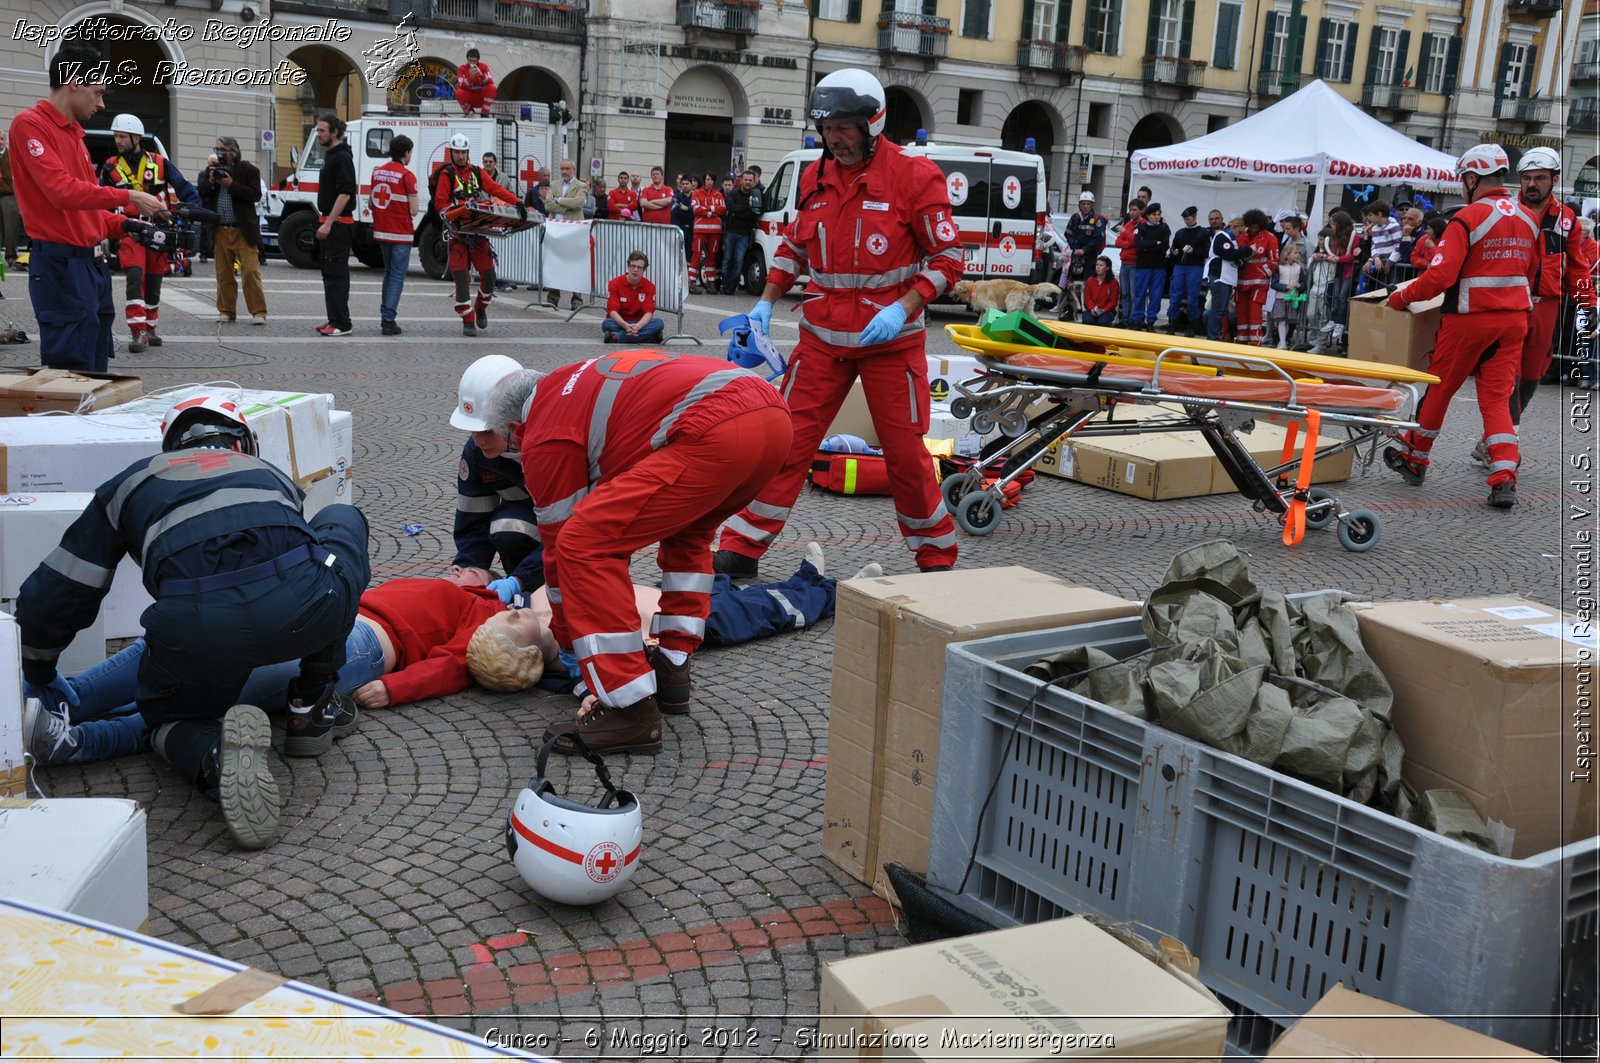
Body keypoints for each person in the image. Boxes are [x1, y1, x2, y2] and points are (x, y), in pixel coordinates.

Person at [15, 395, 371, 849]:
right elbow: (302, 557)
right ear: (244, 441)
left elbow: (61, 591)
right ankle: (312, 702)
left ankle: (213, 756)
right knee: (341, 518)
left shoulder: (129, 485)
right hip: (305, 613)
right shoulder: (270, 475)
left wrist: (40, 670)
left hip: (197, 629)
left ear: (171, 444)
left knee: (167, 719)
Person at [713, 69, 963, 580]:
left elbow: (948, 259)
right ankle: (744, 544)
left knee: (905, 456)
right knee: (784, 442)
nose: (834, 139)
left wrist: (903, 307)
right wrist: (766, 301)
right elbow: (794, 248)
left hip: (890, 344)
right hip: (823, 340)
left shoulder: (916, 178)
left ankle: (936, 554)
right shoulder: (814, 177)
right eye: (827, 129)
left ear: (873, 122)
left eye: (844, 128)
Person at [487, 352, 793, 755]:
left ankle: (630, 708)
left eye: (485, 436)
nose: (480, 446)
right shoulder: (572, 377)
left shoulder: (544, 429)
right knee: (689, 535)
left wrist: (566, 638)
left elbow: (561, 550)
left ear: (514, 428)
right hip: (771, 412)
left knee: (583, 542)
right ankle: (673, 667)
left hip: (715, 424)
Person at [24, 575, 541, 767]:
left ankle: (83, 740)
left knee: (220, 684)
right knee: (191, 650)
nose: (519, 612)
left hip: (354, 646)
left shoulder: (477, 626)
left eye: (522, 620)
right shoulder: (476, 598)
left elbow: (449, 669)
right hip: (331, 616)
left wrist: (393, 688)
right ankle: (70, 701)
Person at [1384, 144, 1539, 510]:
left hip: (1468, 320)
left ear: (1472, 178)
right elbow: (1533, 274)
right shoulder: (1530, 218)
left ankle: (1415, 458)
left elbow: (1440, 276)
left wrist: (1401, 297)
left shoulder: (1466, 219)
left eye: (1462, 180)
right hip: (1514, 320)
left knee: (1439, 389)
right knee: (1498, 399)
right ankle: (1503, 476)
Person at [8, 41, 166, 373]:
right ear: (75, 83)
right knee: (71, 368)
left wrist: (129, 224)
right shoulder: (30, 125)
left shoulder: (75, 135)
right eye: (97, 92)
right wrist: (130, 197)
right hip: (61, 264)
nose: (102, 103)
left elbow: (86, 205)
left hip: (89, 266)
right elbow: (62, 193)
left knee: (94, 365)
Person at [1494, 148, 1597, 436]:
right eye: (1527, 178)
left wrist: (1588, 304)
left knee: (1531, 375)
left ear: (1554, 180)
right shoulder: (1506, 211)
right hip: (1509, 302)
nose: (1532, 184)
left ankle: (1502, 432)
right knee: (1507, 374)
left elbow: (1577, 267)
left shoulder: (1567, 220)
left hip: (1546, 305)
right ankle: (1503, 440)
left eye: (1540, 178)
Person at [98, 113, 200, 353]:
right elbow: (100, 198)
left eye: (122, 136)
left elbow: (186, 189)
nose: (118, 141)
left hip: (159, 231)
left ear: (136, 137)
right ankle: (138, 330)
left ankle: (151, 325)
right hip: (129, 229)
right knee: (135, 278)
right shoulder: (110, 167)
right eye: (116, 136)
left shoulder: (160, 163)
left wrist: (192, 215)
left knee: (154, 280)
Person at [450, 355, 544, 603]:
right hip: (535, 528)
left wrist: (520, 579)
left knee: (513, 526)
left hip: (579, 537)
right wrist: (471, 569)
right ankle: (522, 596)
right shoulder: (477, 454)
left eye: (487, 431)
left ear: (516, 421)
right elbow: (473, 519)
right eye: (473, 430)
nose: (478, 440)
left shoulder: (552, 451)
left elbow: (570, 531)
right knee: (509, 526)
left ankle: (534, 591)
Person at [432, 132, 521, 336]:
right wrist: (457, 213)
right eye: (457, 152)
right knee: (461, 277)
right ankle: (467, 318)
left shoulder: (477, 172)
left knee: (489, 274)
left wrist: (517, 202)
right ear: (452, 153)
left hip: (477, 230)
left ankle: (481, 307)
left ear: (467, 152)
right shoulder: (447, 174)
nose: (461, 156)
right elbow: (440, 203)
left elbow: (496, 189)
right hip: (457, 232)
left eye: (463, 152)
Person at [200, 135, 267, 325]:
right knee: (223, 273)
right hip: (221, 228)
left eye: (222, 150)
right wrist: (212, 181)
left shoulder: (248, 170)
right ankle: (227, 311)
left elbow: (255, 195)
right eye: (217, 149)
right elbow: (202, 192)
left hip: (242, 228)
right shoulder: (212, 170)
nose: (219, 153)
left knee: (250, 272)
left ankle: (258, 312)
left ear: (233, 152)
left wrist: (232, 185)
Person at [312, 113, 357, 337]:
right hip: (331, 221)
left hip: (339, 224)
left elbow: (346, 193)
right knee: (329, 274)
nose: (318, 134)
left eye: (322, 131)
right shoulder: (331, 155)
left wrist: (329, 223)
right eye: (318, 130)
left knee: (337, 275)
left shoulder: (341, 158)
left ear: (335, 132)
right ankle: (333, 319)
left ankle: (342, 323)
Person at [371, 135, 417, 336]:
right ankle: (388, 319)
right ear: (406, 153)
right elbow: (414, 210)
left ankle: (385, 315)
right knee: (397, 276)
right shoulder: (407, 176)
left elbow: (373, 203)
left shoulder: (377, 173)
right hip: (401, 234)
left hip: (382, 231)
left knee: (389, 273)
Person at [1311, 209, 1360, 353]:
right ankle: (1334, 320)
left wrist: (1338, 259)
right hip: (1338, 270)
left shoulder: (1353, 236)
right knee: (1336, 296)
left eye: (1334, 224)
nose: (1332, 226)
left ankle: (1340, 322)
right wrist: (1329, 257)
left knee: (1343, 296)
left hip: (1348, 271)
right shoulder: (1334, 237)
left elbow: (1352, 255)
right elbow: (1333, 252)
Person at [543, 159, 587, 311]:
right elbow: (547, 204)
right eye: (562, 168)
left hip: (573, 231)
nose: (565, 172)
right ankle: (552, 297)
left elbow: (578, 203)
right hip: (555, 230)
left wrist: (559, 200)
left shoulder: (582, 185)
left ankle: (577, 299)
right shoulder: (553, 184)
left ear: (573, 170)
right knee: (555, 263)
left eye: (567, 168)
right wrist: (564, 207)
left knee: (576, 264)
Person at [1056, 191, 1107, 313]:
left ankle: (1087, 307)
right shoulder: (1075, 217)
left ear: (1092, 205)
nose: (1085, 206)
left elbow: (1098, 238)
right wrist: (1074, 246)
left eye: (1088, 204)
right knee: (1070, 282)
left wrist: (1084, 250)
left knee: (1089, 282)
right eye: (1083, 203)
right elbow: (1067, 234)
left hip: (1090, 256)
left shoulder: (1097, 219)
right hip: (1076, 255)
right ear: (1079, 204)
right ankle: (1069, 308)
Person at [1204, 217, 1253, 342]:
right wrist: (1249, 250)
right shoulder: (1222, 236)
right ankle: (1213, 337)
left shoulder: (1232, 241)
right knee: (1218, 309)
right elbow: (1229, 254)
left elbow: (1235, 257)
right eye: (1239, 232)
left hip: (1227, 279)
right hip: (1219, 276)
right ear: (1233, 227)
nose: (1240, 235)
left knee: (1221, 309)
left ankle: (1216, 336)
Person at [1235, 208, 1278, 346]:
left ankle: (1255, 341)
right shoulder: (1242, 237)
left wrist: (1263, 274)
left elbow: (1274, 261)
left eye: (1256, 227)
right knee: (1241, 311)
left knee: (1255, 312)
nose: (1253, 229)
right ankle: (1241, 340)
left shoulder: (1270, 238)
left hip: (1259, 282)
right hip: (1241, 281)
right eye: (1251, 226)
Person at [603, 249, 666, 343]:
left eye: (639, 267)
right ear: (628, 266)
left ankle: (616, 337)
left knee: (659, 323)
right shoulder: (614, 283)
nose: (635, 270)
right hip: (620, 322)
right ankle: (649, 337)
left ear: (644, 270)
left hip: (640, 323)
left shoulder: (649, 286)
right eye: (633, 266)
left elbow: (649, 312)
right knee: (606, 324)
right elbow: (612, 310)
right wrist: (626, 326)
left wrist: (637, 327)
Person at [1165, 206, 1207, 336]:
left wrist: (1194, 251)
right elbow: (1173, 250)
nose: (1186, 221)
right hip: (1180, 266)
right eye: (1185, 219)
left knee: (1192, 297)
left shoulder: (1202, 233)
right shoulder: (1180, 233)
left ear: (1194, 218)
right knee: (1175, 295)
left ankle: (1191, 325)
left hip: (1195, 267)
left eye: (1188, 219)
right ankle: (1172, 323)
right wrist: (1174, 252)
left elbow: (1206, 252)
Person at [720, 169, 762, 295]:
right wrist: (746, 209)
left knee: (738, 261)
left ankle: (732, 286)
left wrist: (739, 211)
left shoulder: (756, 194)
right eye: (746, 180)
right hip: (730, 232)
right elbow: (730, 206)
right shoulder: (734, 193)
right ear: (741, 180)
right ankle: (724, 285)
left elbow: (755, 213)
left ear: (754, 181)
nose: (748, 182)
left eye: (750, 180)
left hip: (744, 234)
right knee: (727, 260)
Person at [1130, 202, 1170, 329]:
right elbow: (1138, 244)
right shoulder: (1141, 228)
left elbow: (1164, 246)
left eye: (1158, 214)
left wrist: (1147, 245)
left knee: (1156, 294)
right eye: (1154, 214)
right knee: (1140, 293)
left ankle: (1151, 321)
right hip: (1143, 265)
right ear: (1148, 215)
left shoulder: (1164, 228)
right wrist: (1154, 243)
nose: (1157, 217)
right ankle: (1138, 319)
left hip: (1158, 266)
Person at [689, 171, 726, 294]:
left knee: (711, 257)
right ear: (704, 181)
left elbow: (722, 209)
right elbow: (696, 209)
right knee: (696, 256)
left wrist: (709, 209)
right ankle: (691, 283)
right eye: (707, 179)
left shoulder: (718, 194)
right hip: (700, 230)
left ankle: (711, 284)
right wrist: (712, 212)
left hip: (715, 231)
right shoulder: (696, 193)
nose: (709, 181)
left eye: (711, 179)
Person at [1268, 241, 1306, 349]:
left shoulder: (1299, 268)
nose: (1297, 254)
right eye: (1295, 252)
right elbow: (1274, 284)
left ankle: (1283, 341)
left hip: (1293, 298)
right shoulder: (1279, 267)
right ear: (1287, 254)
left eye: (1298, 252)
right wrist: (1285, 287)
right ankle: (1283, 342)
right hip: (1281, 297)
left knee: (1288, 321)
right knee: (1281, 320)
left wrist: (1299, 285)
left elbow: (1303, 282)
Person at [1112, 201, 1143, 325]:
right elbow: (1118, 242)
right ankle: (1124, 318)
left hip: (1135, 263)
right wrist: (1128, 242)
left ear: (1141, 210)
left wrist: (1126, 234)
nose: (1132, 212)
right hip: (1124, 262)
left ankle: (1132, 319)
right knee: (1124, 293)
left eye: (1135, 210)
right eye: (1131, 210)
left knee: (1133, 294)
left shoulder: (1143, 224)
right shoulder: (1129, 224)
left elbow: (1136, 241)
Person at [0, 130, 24, 272]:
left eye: (2, 139)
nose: (0, 142)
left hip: (9, 194)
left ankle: (11, 256)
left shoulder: (12, 156)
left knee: (11, 227)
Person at [456, 49, 497, 117]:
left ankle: (484, 113)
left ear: (478, 60)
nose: (472, 63)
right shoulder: (462, 68)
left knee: (492, 87)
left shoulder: (483, 66)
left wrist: (481, 75)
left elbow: (490, 81)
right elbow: (460, 85)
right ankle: (469, 112)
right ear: (467, 59)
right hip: (470, 97)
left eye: (474, 61)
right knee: (458, 92)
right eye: (470, 60)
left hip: (481, 96)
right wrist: (470, 78)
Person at [1082, 255, 1118, 326]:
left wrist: (1103, 310)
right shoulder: (1090, 280)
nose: (1098, 267)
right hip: (1091, 309)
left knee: (1102, 322)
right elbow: (1087, 299)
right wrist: (1092, 309)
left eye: (1101, 265)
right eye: (1097, 265)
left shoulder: (1114, 282)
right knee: (1088, 321)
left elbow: (1113, 302)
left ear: (1107, 268)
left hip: (1106, 311)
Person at [671, 173, 694, 253]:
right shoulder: (676, 196)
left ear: (692, 184)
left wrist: (687, 208)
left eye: (687, 183)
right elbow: (674, 210)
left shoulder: (696, 196)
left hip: (692, 229)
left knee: (690, 253)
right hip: (679, 228)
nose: (685, 186)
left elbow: (698, 211)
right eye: (683, 184)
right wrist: (690, 210)